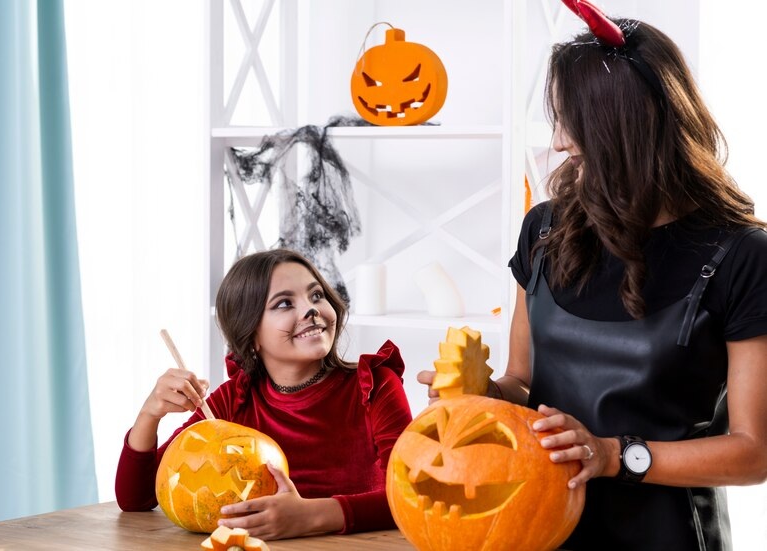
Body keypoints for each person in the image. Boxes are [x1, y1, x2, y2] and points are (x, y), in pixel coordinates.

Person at [419, 12, 767, 551]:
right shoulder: (545, 229)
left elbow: (751, 453)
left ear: (620, 129)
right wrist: (478, 398)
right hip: (537, 525)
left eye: (569, 122)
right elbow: (522, 383)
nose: (558, 143)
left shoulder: (742, 255)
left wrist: (610, 455)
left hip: (666, 536)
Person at [116, 248, 412, 540]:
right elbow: (137, 499)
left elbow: (410, 496)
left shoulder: (374, 386)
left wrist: (310, 516)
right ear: (251, 334)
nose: (310, 309)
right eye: (284, 303)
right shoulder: (234, 400)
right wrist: (150, 413)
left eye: (316, 295)